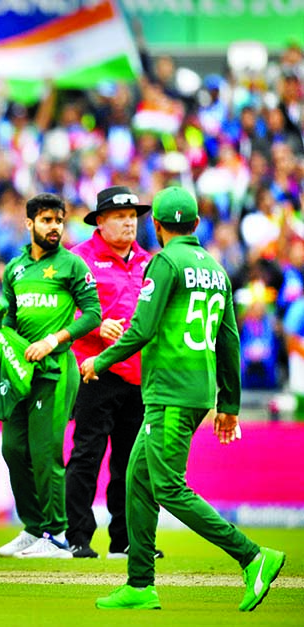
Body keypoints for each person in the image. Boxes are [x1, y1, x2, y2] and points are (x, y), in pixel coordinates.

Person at [81, 187, 285, 611]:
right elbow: (229, 342)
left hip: (169, 393)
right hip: (195, 391)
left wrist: (98, 362)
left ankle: (252, 556)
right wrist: (228, 405)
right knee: (138, 479)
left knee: (169, 488)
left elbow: (140, 329)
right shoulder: (215, 268)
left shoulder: (165, 263)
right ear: (196, 225)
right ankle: (140, 584)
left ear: (156, 226)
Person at [0, 192, 101, 559]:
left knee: (45, 452)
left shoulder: (72, 265)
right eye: (47, 220)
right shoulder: (15, 269)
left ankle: (55, 533)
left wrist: (54, 339)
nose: (55, 227)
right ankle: (34, 526)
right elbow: (9, 318)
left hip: (56, 371)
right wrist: (1, 339)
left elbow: (93, 315)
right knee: (12, 449)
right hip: (20, 372)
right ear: (29, 224)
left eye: (59, 220)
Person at [65, 186, 157, 559]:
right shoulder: (77, 260)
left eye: (133, 217)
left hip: (138, 374)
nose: (128, 223)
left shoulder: (150, 262)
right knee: (87, 453)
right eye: (120, 216)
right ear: (100, 222)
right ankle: (78, 537)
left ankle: (125, 540)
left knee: (131, 461)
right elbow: (59, 314)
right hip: (95, 372)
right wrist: (95, 325)